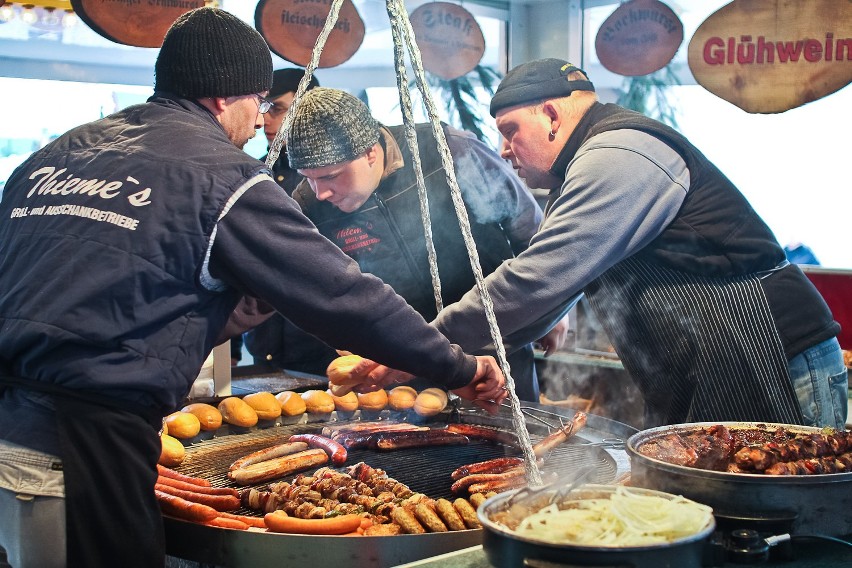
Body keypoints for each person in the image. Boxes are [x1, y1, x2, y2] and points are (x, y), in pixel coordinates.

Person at [0, 8, 505, 568]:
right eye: (260, 104)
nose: (257, 121)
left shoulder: (56, 155)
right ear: (226, 99)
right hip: (81, 447)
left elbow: (119, 290)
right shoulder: (221, 175)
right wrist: (460, 367)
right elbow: (343, 297)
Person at [378, 58, 848, 430]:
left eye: (509, 131)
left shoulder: (618, 154)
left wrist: (421, 349)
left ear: (551, 114)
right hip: (716, 361)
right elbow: (551, 294)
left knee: (787, 523)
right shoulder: (590, 160)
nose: (503, 150)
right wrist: (454, 354)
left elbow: (535, 280)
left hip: (770, 355)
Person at [282, 87, 550, 400]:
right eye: (308, 178)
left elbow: (527, 225)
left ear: (370, 151)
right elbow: (311, 286)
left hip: (493, 344)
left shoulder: (447, 151)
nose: (320, 192)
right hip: (398, 365)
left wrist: (551, 312)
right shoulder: (308, 204)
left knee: (517, 440)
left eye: (331, 176)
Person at [238, 67, 325, 369]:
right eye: (263, 107)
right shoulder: (250, 171)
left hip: (320, 346)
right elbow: (236, 256)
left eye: (278, 108)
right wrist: (231, 348)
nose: (265, 120)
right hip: (262, 342)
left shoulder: (327, 177)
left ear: (309, 107)